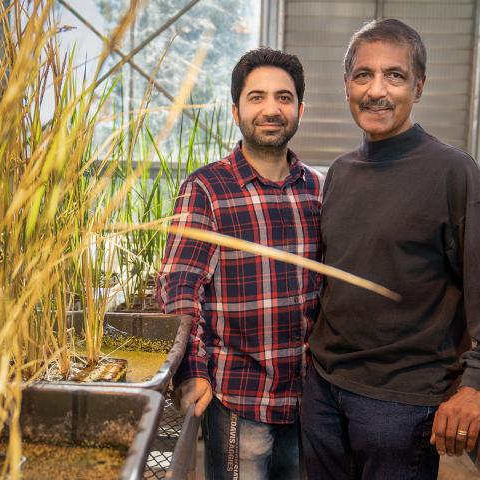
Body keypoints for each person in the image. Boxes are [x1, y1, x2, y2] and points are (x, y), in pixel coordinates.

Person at [301, 19, 480, 480]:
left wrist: (477, 386)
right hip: (323, 389)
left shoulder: (453, 173)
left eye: (395, 76)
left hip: (400, 405)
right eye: (363, 75)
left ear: (419, 87)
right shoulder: (340, 174)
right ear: (347, 84)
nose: (376, 91)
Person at [157, 47, 322, 480]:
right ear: (236, 111)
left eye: (284, 98)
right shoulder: (206, 189)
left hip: (307, 401)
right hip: (238, 399)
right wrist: (190, 371)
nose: (272, 109)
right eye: (257, 97)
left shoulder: (317, 190)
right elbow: (180, 288)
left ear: (300, 109)